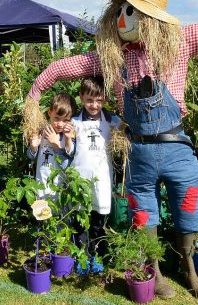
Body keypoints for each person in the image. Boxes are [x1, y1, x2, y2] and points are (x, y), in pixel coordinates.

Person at [23, 0, 198, 300]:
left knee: (190, 203)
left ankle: (190, 270)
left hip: (176, 147)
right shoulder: (110, 59)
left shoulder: (180, 43)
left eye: (134, 12)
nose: (125, 19)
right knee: (143, 213)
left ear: (154, 20)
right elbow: (60, 68)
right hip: (139, 151)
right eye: (122, 11)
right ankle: (155, 270)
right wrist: (35, 94)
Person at [64, 76, 122, 274]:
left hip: (102, 180)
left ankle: (95, 254)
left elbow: (126, 131)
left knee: (98, 220)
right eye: (89, 100)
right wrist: (68, 137)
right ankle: (80, 255)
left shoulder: (111, 120)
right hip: (80, 179)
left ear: (104, 98)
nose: (94, 105)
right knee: (80, 218)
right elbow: (69, 151)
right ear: (81, 98)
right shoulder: (75, 122)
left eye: (98, 100)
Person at [27, 93, 77, 199]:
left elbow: (70, 164)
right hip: (41, 185)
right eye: (57, 118)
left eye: (65, 120)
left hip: (60, 188)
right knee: (42, 213)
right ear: (50, 113)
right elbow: (31, 156)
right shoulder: (42, 132)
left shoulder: (69, 136)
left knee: (60, 214)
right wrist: (33, 147)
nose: (60, 124)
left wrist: (57, 145)